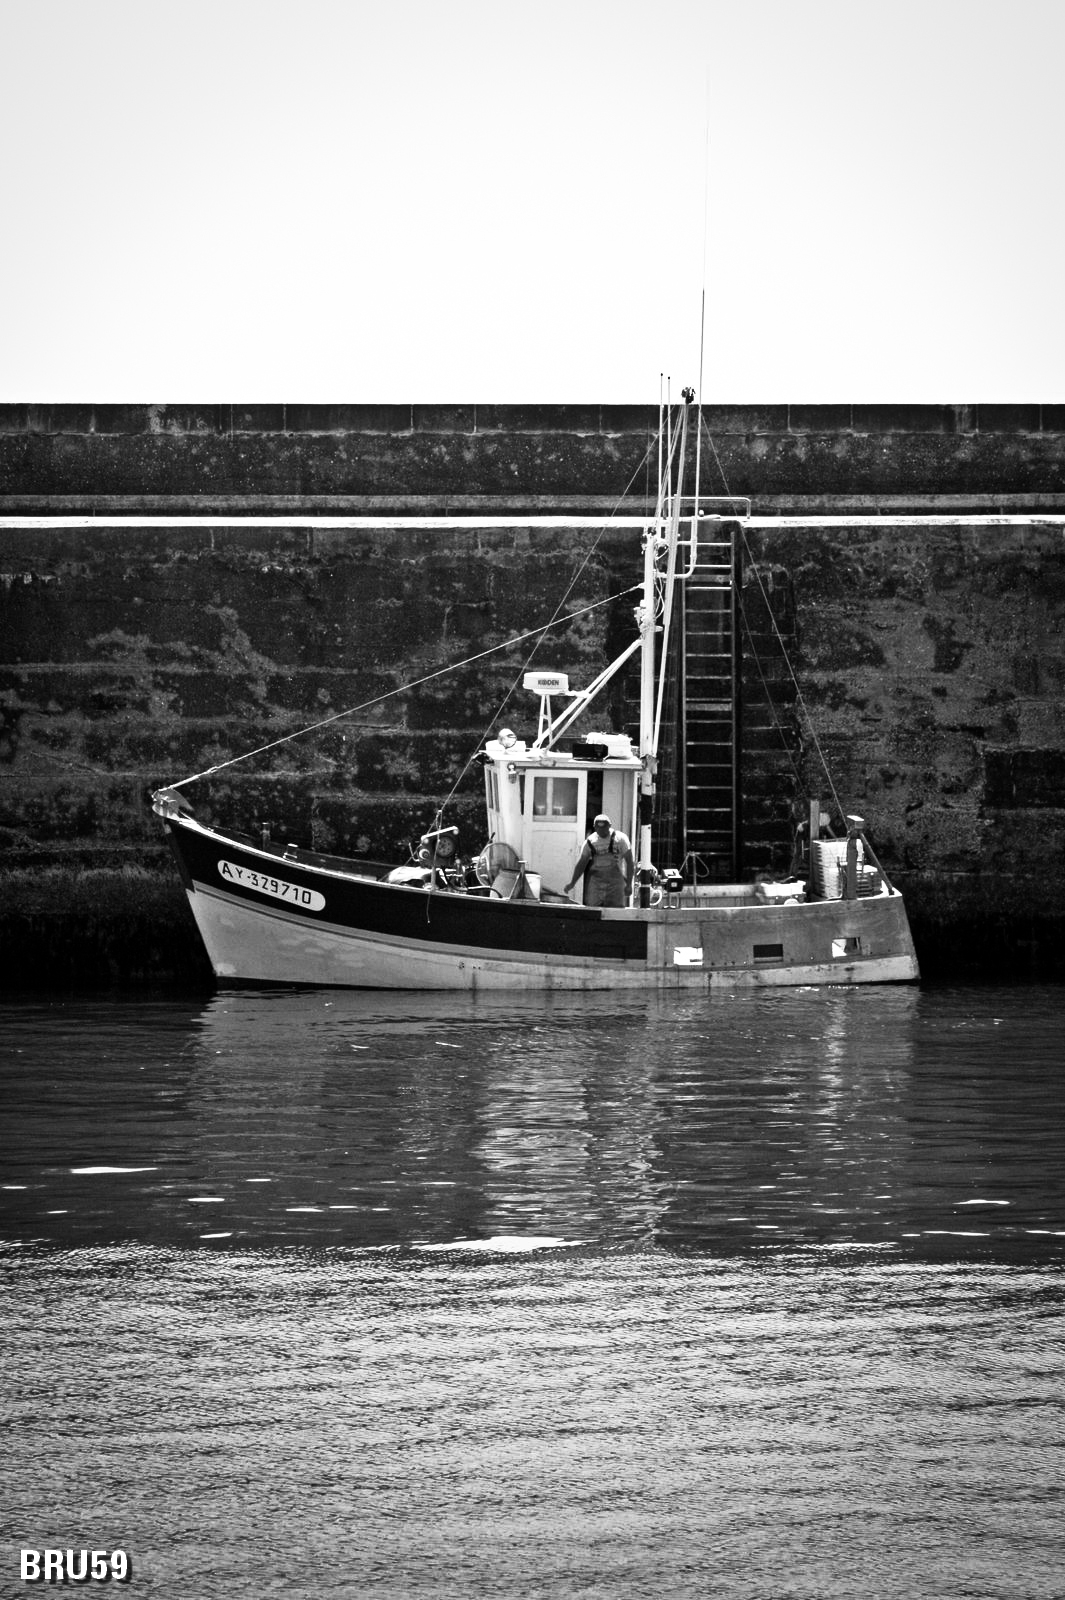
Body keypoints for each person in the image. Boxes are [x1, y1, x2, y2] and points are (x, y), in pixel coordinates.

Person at [564, 814, 634, 908]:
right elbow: (581, 864)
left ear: (609, 826)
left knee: (616, 913)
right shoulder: (590, 842)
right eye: (598, 828)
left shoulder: (621, 839)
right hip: (596, 883)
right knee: (593, 912)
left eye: (604, 828)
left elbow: (629, 862)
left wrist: (629, 884)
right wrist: (572, 883)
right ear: (595, 827)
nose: (601, 831)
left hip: (615, 884)